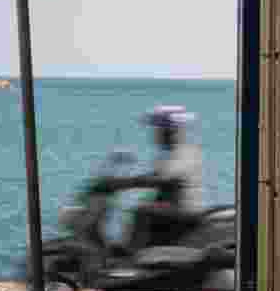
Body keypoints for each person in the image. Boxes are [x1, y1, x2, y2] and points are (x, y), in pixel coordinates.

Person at [82, 105, 203, 251]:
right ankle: (130, 248)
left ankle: (132, 254)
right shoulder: (169, 154)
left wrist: (122, 183)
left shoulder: (184, 152)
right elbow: (156, 178)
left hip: (185, 209)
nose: (155, 134)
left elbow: (161, 179)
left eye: (158, 130)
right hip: (173, 206)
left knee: (142, 210)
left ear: (170, 131)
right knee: (141, 206)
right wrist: (119, 181)